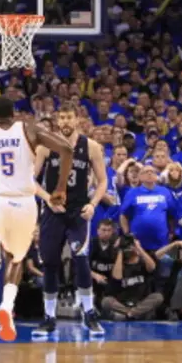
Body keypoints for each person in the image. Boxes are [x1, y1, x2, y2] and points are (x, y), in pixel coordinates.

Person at [0, 96, 74, 355]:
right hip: (25, 203)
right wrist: (60, 188)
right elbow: (66, 149)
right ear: (14, 114)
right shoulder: (30, 129)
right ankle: (7, 306)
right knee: (16, 258)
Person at [32, 107, 108, 338]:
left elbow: (103, 181)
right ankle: (49, 317)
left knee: (82, 260)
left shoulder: (91, 146)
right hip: (53, 212)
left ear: (77, 120)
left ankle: (89, 313)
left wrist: (93, 204)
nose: (65, 120)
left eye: (69, 117)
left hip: (78, 213)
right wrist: (47, 199)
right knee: (50, 264)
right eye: (61, 117)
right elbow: (30, 180)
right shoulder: (46, 146)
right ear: (57, 119)